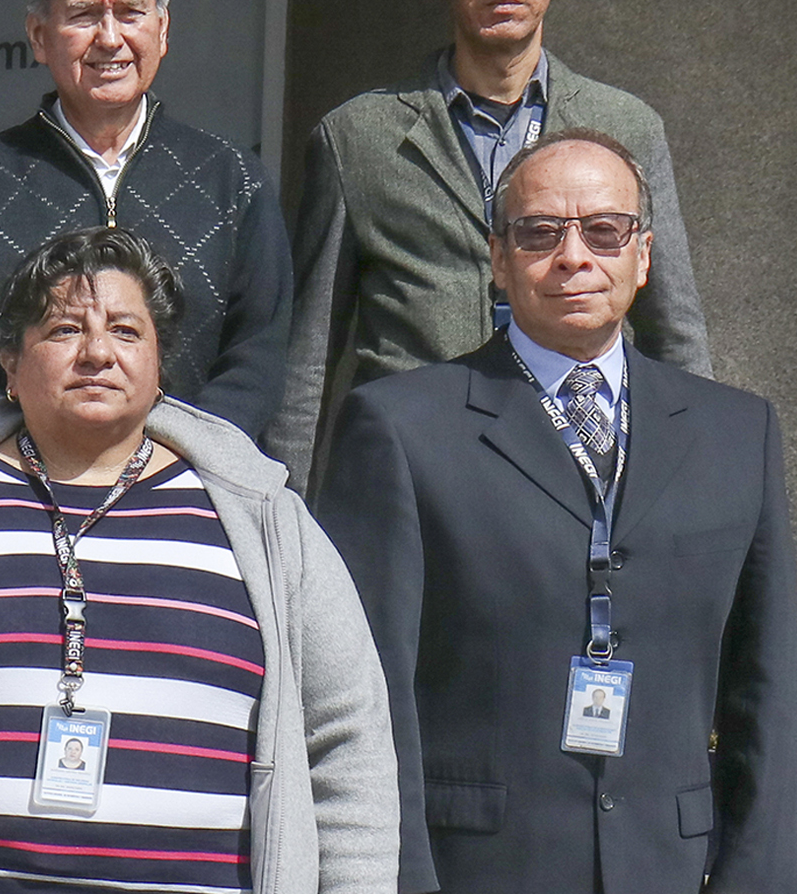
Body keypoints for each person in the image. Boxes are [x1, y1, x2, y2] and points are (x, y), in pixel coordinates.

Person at [0, 227, 397, 894]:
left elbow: (347, 736)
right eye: (65, 329)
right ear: (9, 363)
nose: (97, 352)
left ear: (160, 368)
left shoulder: (262, 518)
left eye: (126, 332)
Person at [310, 131, 793, 893]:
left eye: (603, 230)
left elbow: (766, 689)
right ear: (498, 259)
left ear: (642, 254)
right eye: (539, 232)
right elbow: (364, 695)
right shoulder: (399, 429)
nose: (573, 256)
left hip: (673, 867)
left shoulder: (736, 434)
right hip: (478, 864)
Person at [273, 0, 709, 484]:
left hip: (575, 477)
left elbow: (674, 336)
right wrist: (278, 531)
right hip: (412, 477)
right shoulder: (357, 139)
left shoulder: (624, 128)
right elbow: (307, 363)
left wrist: (695, 498)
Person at [0, 0, 292, 439]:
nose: (110, 38)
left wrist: (176, 462)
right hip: (12, 492)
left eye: (130, 12)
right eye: (85, 14)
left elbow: (261, 355)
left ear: (162, 30)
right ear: (39, 36)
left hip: (187, 493)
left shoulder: (233, 180)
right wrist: (21, 464)